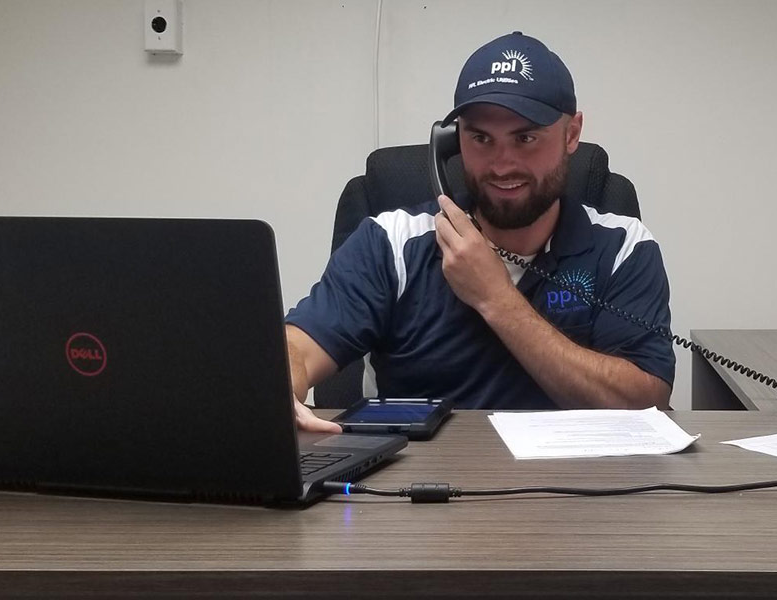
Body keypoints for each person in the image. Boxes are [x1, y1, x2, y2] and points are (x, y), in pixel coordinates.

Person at [286, 32, 674, 433]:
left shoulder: (623, 246)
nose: (502, 165)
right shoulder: (394, 242)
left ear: (571, 134)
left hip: (580, 487)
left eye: (525, 138)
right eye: (480, 138)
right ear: (450, 143)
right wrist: (281, 381)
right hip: (418, 486)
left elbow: (646, 402)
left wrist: (495, 298)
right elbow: (297, 346)